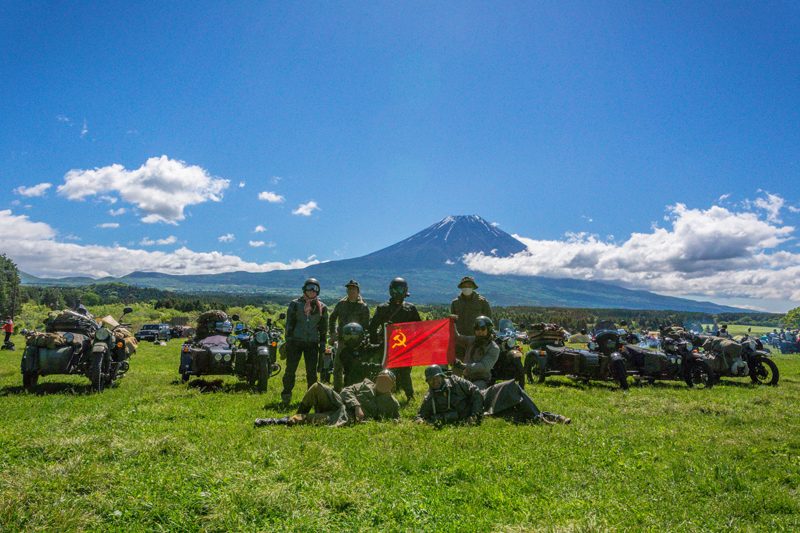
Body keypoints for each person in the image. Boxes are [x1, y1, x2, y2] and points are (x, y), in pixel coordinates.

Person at [416, 365, 570, 427]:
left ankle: (540, 418)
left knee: (511, 387)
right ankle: (551, 417)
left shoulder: (455, 381)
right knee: (514, 413)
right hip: (482, 414)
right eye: (431, 380)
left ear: (443, 377)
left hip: (484, 398)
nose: (435, 382)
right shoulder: (430, 398)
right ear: (428, 382)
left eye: (437, 378)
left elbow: (475, 391)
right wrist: (421, 421)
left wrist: (475, 414)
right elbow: (420, 415)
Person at [255, 369, 400, 427]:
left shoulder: (392, 403)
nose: (383, 383)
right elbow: (346, 391)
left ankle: (276, 421)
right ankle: (299, 412)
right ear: (376, 379)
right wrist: (357, 406)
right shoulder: (365, 385)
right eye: (381, 379)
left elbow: (395, 419)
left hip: (344, 416)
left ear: (392, 386)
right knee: (317, 387)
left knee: (312, 419)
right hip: (338, 402)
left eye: (387, 382)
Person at [367, 277, 421, 400]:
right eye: (397, 289)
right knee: (386, 372)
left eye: (402, 289)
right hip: (386, 346)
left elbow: (419, 328)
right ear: (392, 290)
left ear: (405, 290)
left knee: (405, 372)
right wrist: (376, 344)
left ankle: (410, 396)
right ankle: (383, 397)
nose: (399, 292)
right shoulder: (383, 308)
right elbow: (372, 327)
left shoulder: (410, 308)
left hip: (404, 346)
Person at [281, 278, 329, 407]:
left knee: (312, 373)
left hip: (312, 343)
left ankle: (311, 399)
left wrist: (323, 343)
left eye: (315, 288)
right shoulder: (295, 304)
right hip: (295, 341)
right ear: (304, 289)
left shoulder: (322, 307)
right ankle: (286, 396)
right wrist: (288, 340)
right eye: (310, 287)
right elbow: (289, 324)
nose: (312, 291)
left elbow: (323, 328)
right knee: (290, 370)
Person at [325, 279, 370, 384]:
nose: (351, 291)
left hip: (357, 342)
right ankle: (337, 390)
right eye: (349, 289)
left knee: (356, 366)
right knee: (338, 366)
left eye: (353, 289)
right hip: (342, 340)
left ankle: (354, 389)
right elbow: (332, 318)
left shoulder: (363, 306)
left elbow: (366, 325)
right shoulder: (341, 304)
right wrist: (332, 333)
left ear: (358, 291)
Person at [453, 316, 500, 390]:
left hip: (481, 381)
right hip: (466, 379)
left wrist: (464, 366)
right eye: (477, 329)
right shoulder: (472, 340)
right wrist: (452, 323)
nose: (479, 331)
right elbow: (456, 337)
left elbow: (484, 367)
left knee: (474, 393)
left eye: (483, 328)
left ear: (489, 329)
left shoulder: (493, 348)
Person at [450, 276, 492, 358]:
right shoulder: (455, 303)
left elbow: (489, 321)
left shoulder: (482, 302)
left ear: (473, 287)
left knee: (475, 364)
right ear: (461, 287)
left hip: (477, 340)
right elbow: (453, 322)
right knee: (459, 364)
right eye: (464, 286)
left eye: (469, 286)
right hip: (459, 340)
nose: (467, 288)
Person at [333, 322, 382, 391]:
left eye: (354, 337)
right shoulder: (344, 352)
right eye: (348, 337)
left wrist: (388, 332)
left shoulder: (365, 348)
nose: (351, 340)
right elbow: (357, 366)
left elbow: (380, 348)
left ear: (361, 336)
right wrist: (377, 367)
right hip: (352, 389)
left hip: (368, 386)